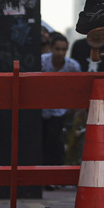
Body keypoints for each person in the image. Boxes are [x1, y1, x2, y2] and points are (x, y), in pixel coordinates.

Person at [39, 32, 79, 167]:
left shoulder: (72, 66)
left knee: (55, 139)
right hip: (41, 106)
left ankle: (56, 169)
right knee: (42, 139)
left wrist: (72, 107)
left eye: (64, 49)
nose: (61, 53)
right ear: (51, 48)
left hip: (60, 108)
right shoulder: (42, 61)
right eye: (58, 49)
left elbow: (77, 88)